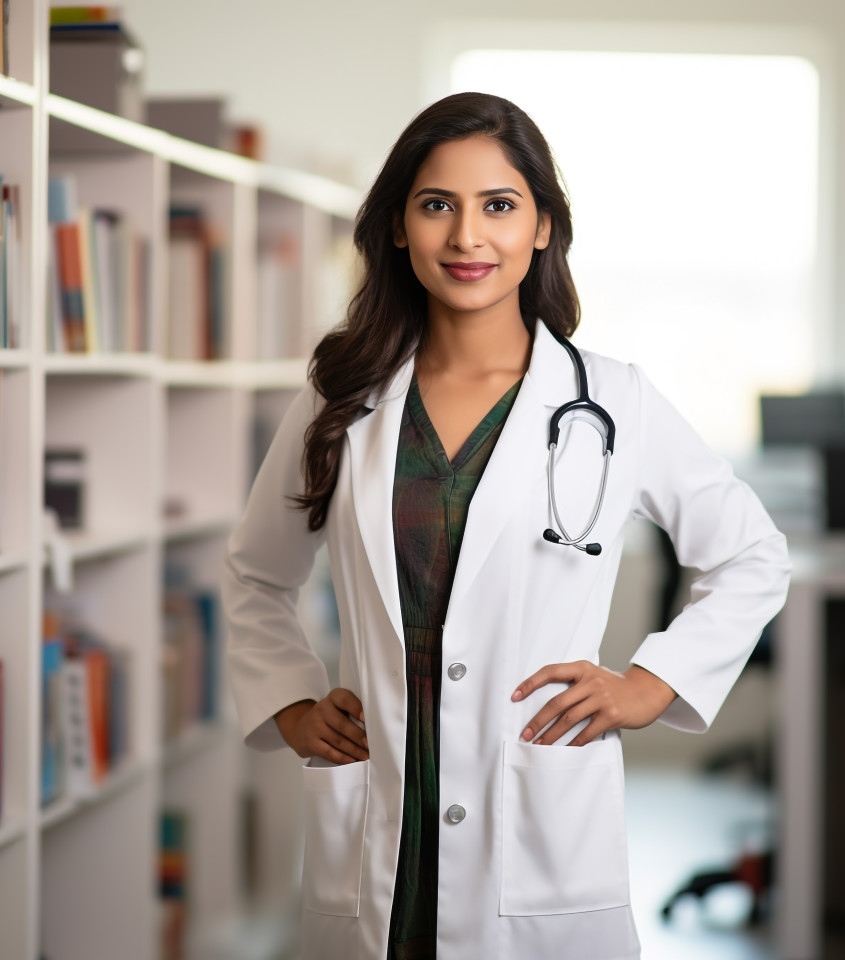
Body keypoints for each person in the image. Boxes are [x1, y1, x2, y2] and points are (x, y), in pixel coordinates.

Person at [221, 91, 792, 960]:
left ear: (542, 227)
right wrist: (292, 704)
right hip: (381, 814)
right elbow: (256, 574)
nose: (466, 237)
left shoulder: (613, 400)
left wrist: (650, 684)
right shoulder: (341, 400)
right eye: (436, 205)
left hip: (536, 824)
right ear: (399, 228)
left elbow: (752, 555)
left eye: (498, 205)